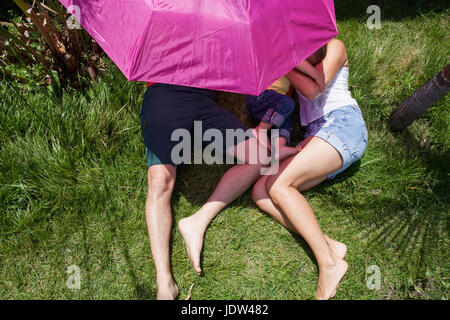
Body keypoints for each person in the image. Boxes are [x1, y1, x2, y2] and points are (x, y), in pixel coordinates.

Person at [251, 38, 368, 300]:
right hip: (316, 133)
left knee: (280, 186)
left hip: (343, 124)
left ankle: (329, 263)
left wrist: (281, 56)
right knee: (261, 191)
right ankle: (328, 244)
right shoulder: (295, 54)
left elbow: (314, 90)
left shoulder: (336, 45)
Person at [140, 82, 274, 300]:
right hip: (164, 95)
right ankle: (164, 282)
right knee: (160, 180)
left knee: (260, 158)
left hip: (203, 101)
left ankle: (197, 222)